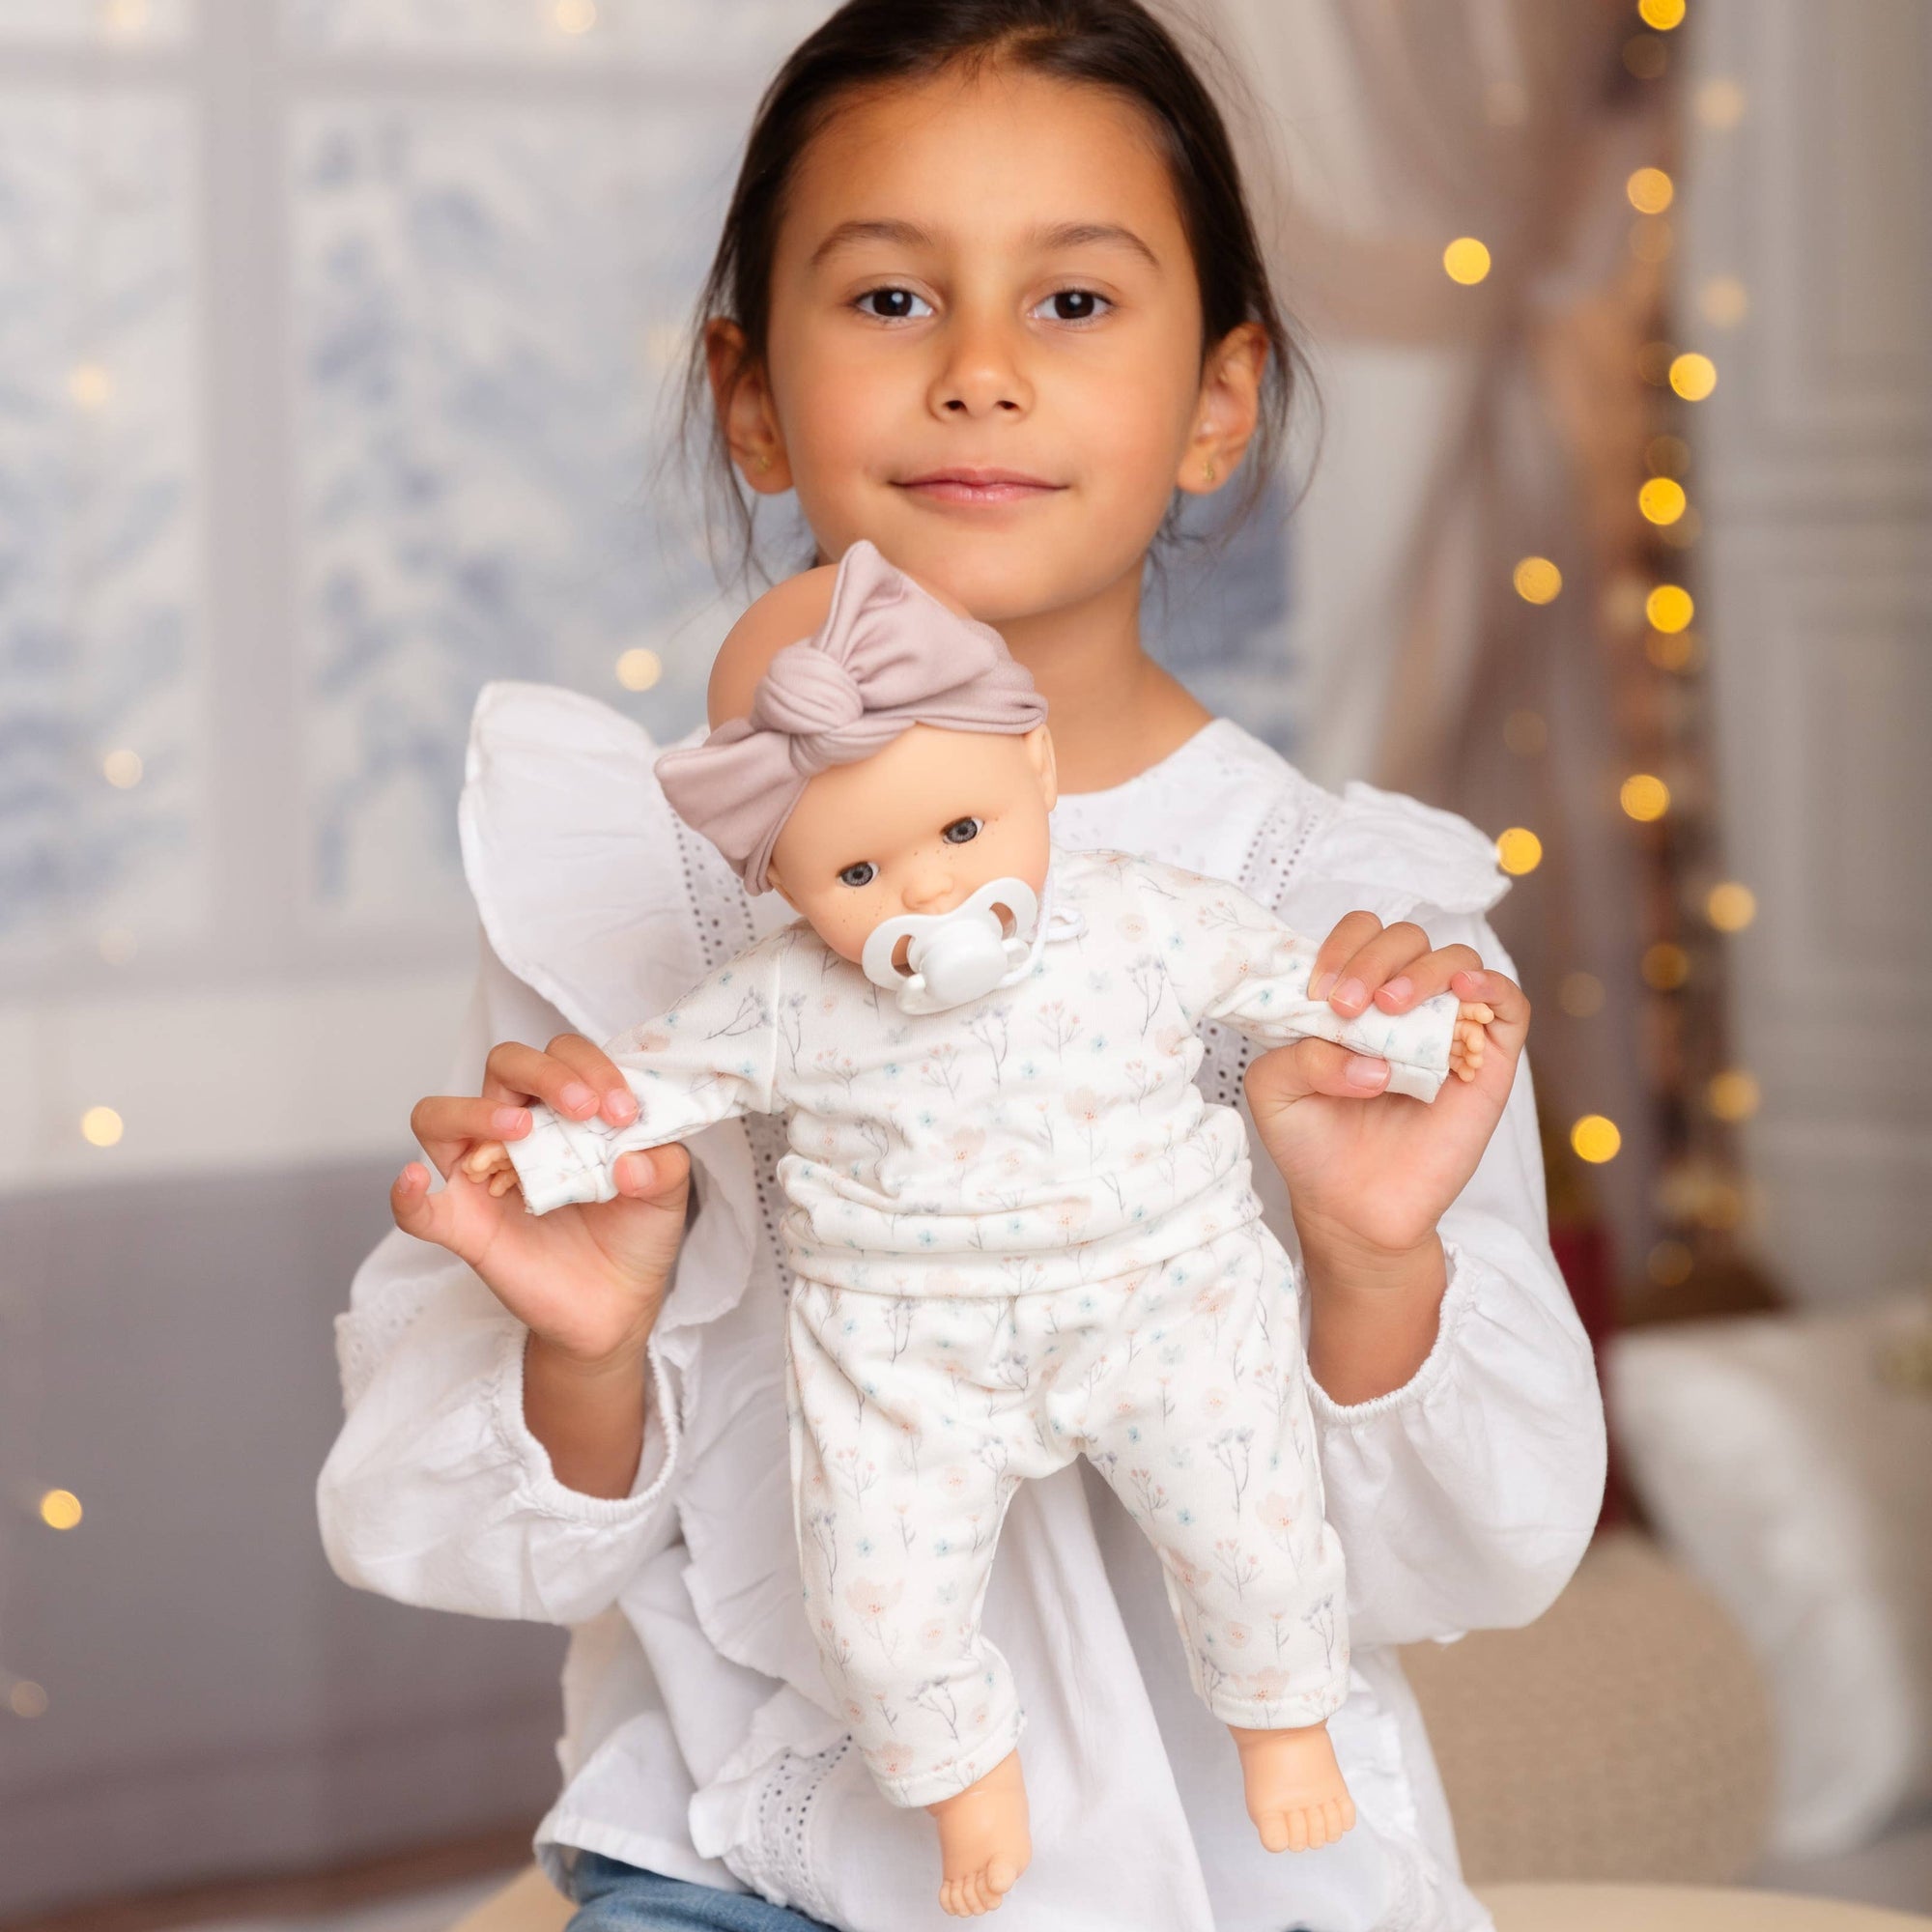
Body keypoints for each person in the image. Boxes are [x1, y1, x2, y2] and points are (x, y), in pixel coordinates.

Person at [317, 4, 1605, 1929]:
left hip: (1236, 1884)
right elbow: (466, 1543)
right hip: (743, 1865)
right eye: (890, 299)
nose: (981, 374)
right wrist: (586, 1350)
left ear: (1220, 397)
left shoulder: (1342, 930)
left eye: (1073, 303)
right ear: (751, 393)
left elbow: (1474, 1560)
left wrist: (1367, 1261)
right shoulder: (639, 910)